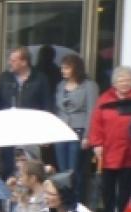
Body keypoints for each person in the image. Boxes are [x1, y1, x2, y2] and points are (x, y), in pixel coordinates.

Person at [0, 47, 54, 179]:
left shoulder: (40, 79)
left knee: (31, 167)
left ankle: (29, 197)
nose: (10, 63)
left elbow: (47, 106)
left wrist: (46, 133)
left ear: (24, 62)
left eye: (13, 60)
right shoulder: (5, 78)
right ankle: (9, 198)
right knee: (8, 166)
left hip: (31, 130)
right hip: (8, 129)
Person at [87, 65, 131, 212]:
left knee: (126, 187)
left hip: (130, 151)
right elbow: (96, 124)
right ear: (114, 82)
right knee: (107, 186)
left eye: (128, 80)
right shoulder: (104, 99)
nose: (125, 83)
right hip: (108, 151)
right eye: (121, 80)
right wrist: (97, 144)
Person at [54, 55, 99, 197]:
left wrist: (87, 135)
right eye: (62, 67)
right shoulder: (61, 85)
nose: (63, 70)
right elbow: (58, 108)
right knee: (63, 171)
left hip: (78, 131)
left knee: (75, 170)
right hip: (61, 131)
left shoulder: (89, 86)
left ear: (75, 68)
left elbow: (92, 111)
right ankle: (64, 200)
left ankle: (76, 202)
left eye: (66, 67)